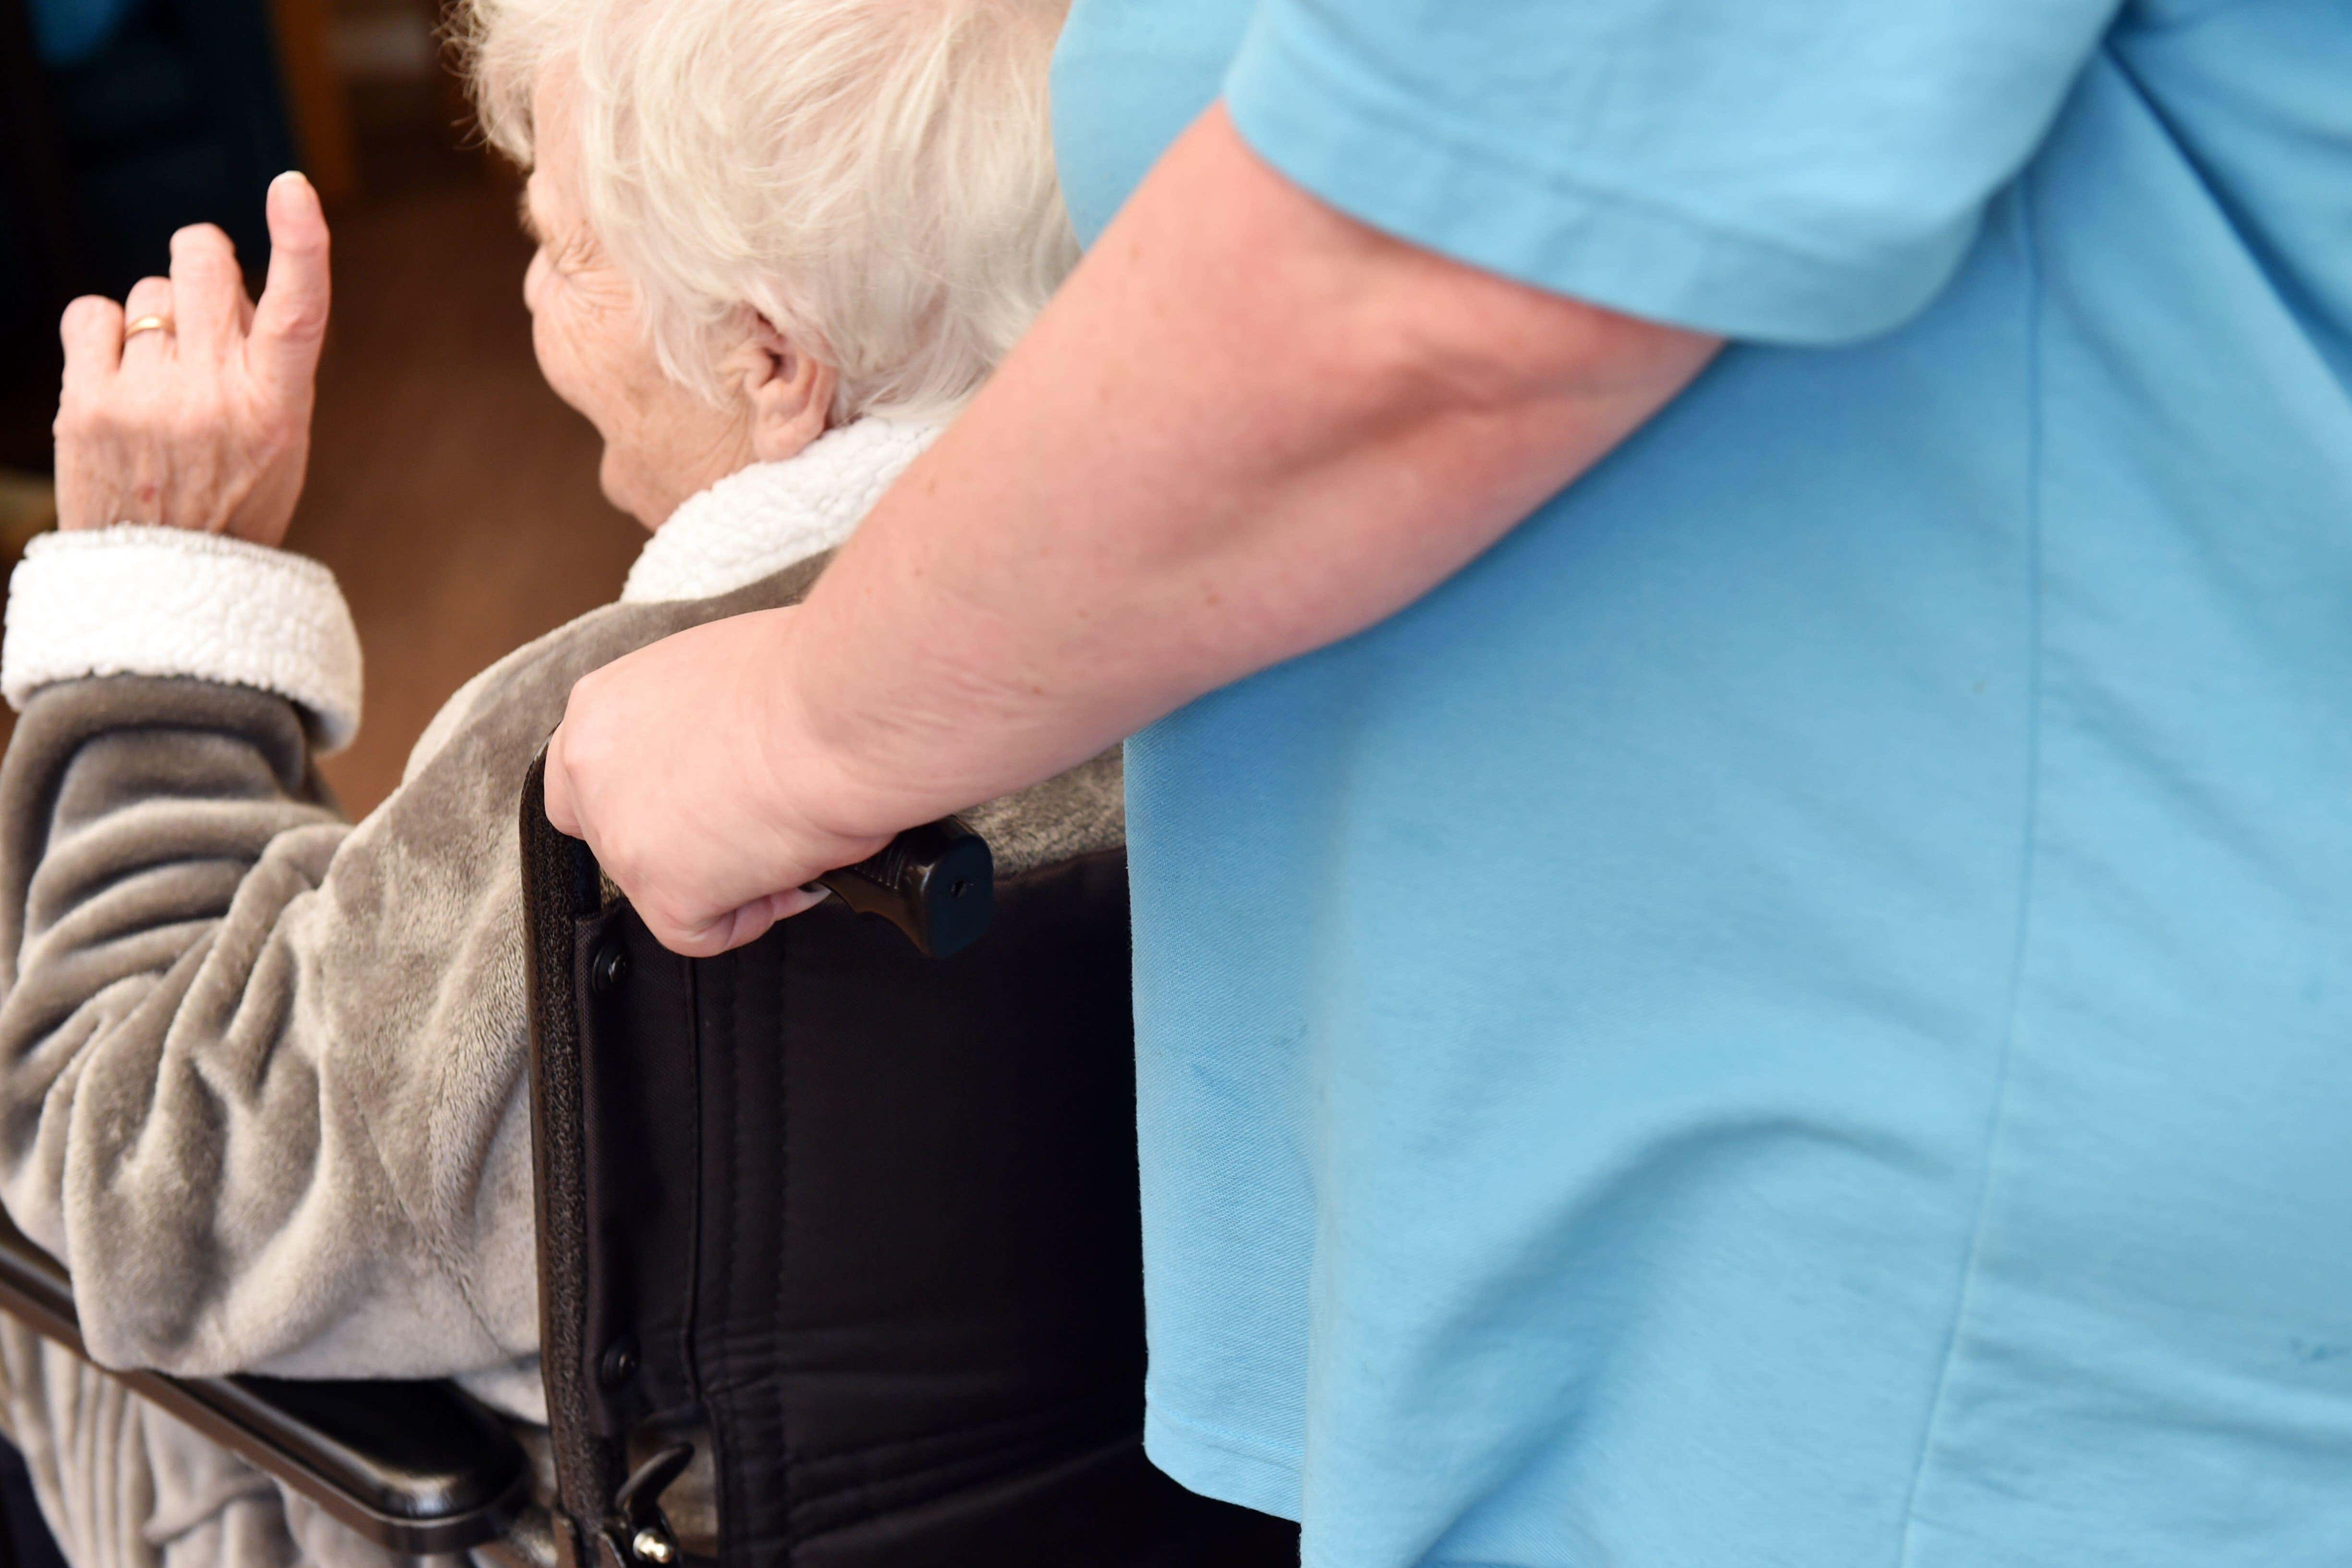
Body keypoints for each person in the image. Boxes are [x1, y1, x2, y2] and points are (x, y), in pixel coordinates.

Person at [542, 0, 2352, 1564]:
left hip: (1922, 1300)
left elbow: (1448, 262)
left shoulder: (665, 690)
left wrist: (800, 726)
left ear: (770, 351)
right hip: (1658, 1265)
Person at [0, 0, 1151, 1562]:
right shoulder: (1246, 611)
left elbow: (123, 1172)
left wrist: (158, 612)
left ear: (769, 359)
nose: (531, 287)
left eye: (562, 244)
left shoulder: (622, 762)